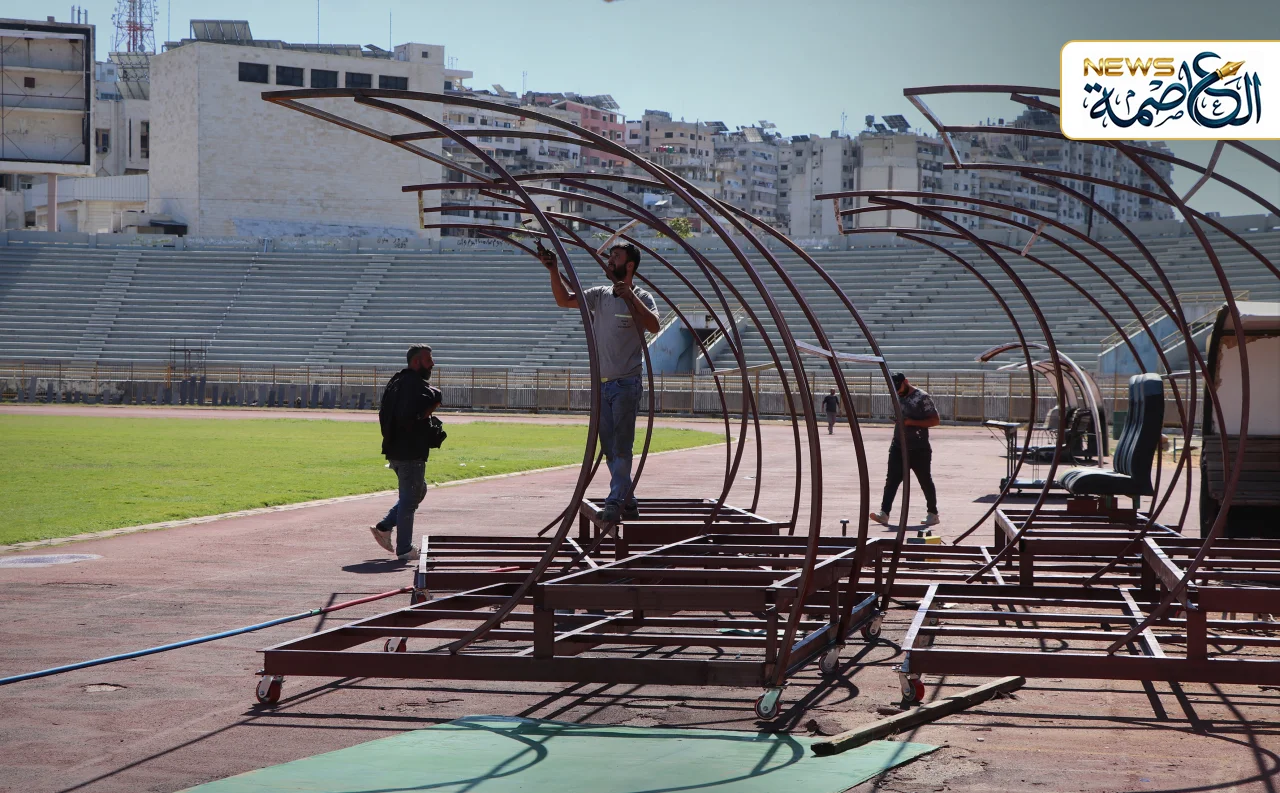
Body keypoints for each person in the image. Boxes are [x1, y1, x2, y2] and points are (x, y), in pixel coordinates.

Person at [540, 241, 660, 524]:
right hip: (603, 384)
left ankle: (616, 500)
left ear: (629, 265)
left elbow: (654, 325)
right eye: (610, 256)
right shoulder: (600, 294)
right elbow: (564, 300)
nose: (609, 260)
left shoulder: (642, 296)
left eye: (616, 257)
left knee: (621, 446)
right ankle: (627, 500)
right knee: (609, 447)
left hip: (626, 383)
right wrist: (553, 269)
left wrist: (631, 297)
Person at [370, 344, 443, 561]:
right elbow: (431, 398)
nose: (433, 364)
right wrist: (430, 408)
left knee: (418, 491)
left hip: (395, 449)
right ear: (416, 362)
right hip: (410, 452)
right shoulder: (413, 385)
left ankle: (384, 527)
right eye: (428, 360)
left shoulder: (397, 382)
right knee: (409, 501)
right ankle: (404, 548)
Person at [871, 373, 941, 527]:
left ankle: (933, 513)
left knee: (925, 480)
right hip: (898, 446)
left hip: (919, 447)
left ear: (906, 382)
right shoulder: (897, 395)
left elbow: (935, 420)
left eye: (899, 388)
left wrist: (911, 422)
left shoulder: (922, 397)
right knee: (891, 480)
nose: (897, 392)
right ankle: (884, 513)